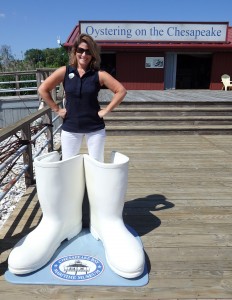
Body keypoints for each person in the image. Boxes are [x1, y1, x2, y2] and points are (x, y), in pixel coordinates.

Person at [38, 33, 127, 162]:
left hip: (95, 127)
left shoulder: (99, 74)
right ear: (75, 51)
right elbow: (43, 89)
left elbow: (121, 91)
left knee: (97, 164)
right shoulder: (65, 71)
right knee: (68, 164)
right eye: (81, 50)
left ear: (93, 54)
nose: (84, 55)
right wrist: (57, 109)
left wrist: (106, 110)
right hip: (71, 126)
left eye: (88, 51)